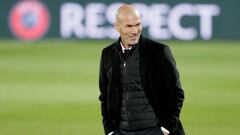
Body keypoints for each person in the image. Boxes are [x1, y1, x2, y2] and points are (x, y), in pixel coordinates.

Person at [99, 4, 185, 135]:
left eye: (138, 24)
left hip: (154, 131)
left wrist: (166, 128)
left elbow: (176, 93)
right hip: (121, 132)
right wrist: (110, 131)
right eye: (129, 26)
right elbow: (105, 96)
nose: (135, 31)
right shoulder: (108, 54)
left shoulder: (159, 52)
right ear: (117, 26)